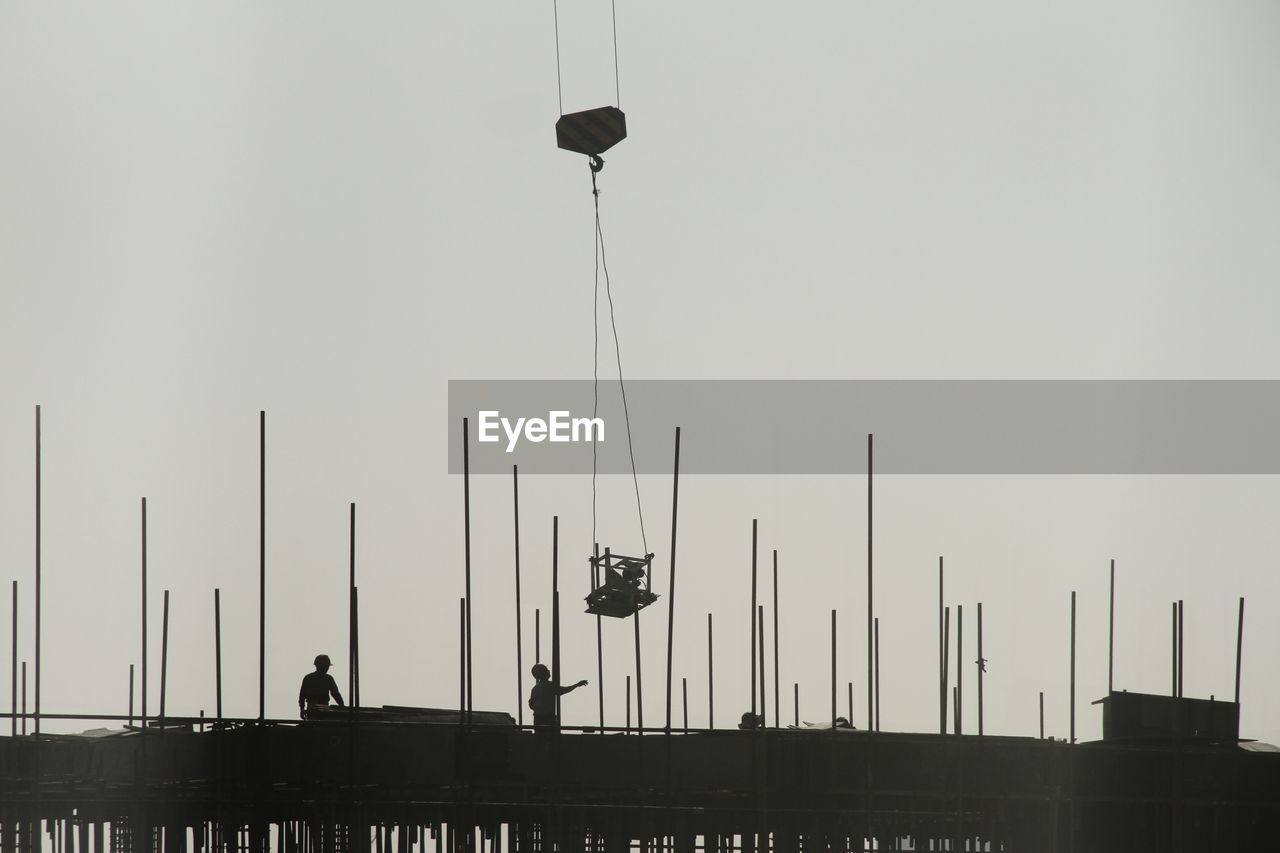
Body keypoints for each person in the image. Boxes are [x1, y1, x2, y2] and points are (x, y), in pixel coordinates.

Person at [527, 663, 587, 729]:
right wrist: (577, 685)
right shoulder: (550, 686)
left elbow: (531, 705)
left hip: (538, 718)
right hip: (549, 718)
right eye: (546, 670)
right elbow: (564, 690)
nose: (549, 671)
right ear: (543, 673)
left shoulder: (535, 688)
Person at [299, 654, 345, 719]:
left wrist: (302, 709)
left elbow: (302, 695)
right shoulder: (328, 678)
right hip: (323, 709)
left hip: (312, 709)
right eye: (326, 666)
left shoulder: (308, 678)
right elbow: (335, 694)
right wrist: (342, 706)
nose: (327, 668)